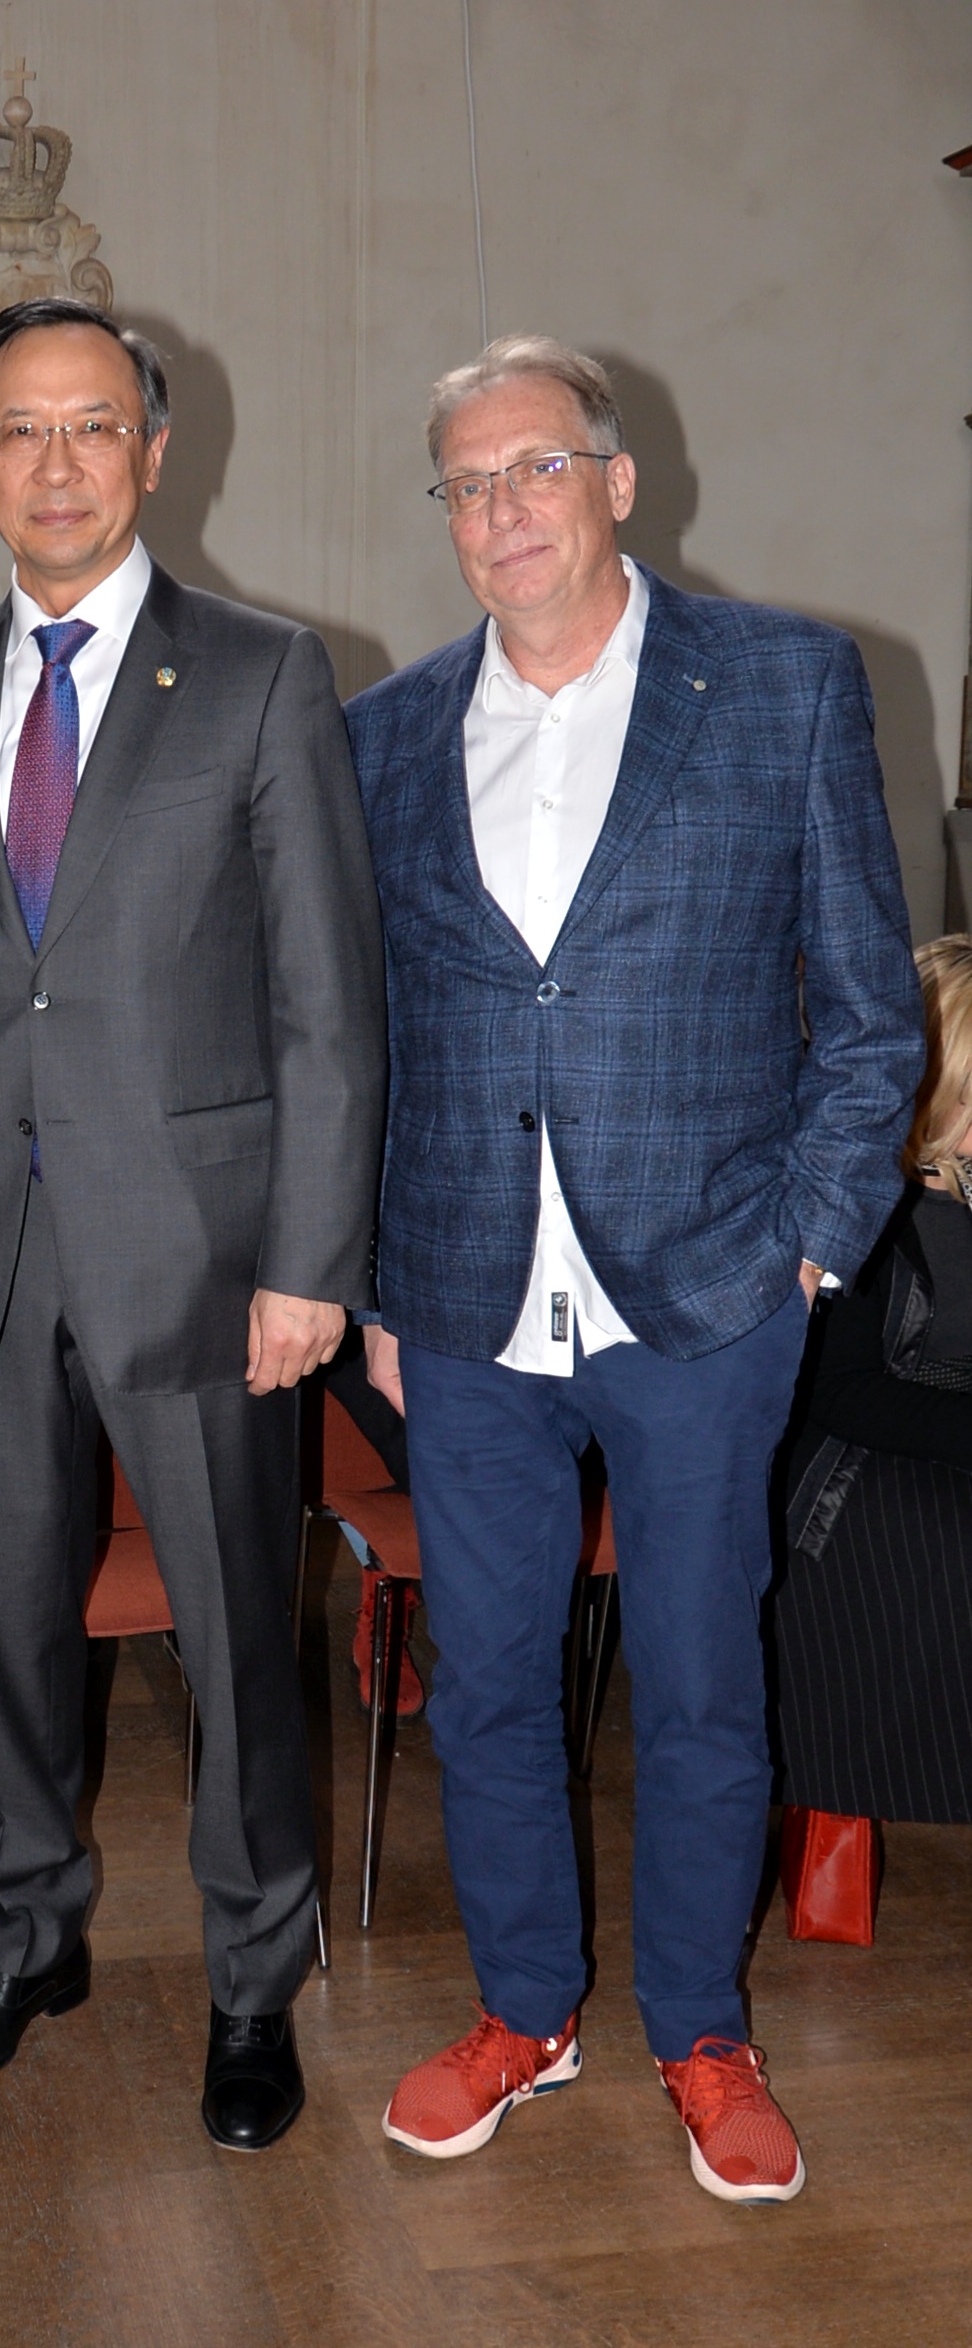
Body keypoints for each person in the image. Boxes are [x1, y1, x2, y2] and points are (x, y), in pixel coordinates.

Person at [351, 334, 923, 2204]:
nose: (501, 509)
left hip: (705, 1292)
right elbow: (359, 1038)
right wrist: (374, 1285)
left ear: (613, 482)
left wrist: (811, 1249)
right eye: (466, 483)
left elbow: (870, 1015)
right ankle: (525, 2009)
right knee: (488, 1686)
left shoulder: (778, 684)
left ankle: (700, 2028)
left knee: (694, 1682)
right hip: (462, 1296)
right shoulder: (384, 733)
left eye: (534, 468)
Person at [0, 296, 386, 2152]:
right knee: (8, 1618)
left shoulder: (261, 672)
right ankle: (28, 1943)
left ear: (154, 451)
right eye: (20, 428)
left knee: (235, 1633)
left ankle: (252, 1983)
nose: (56, 461)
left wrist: (311, 1262)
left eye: (91, 425)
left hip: (207, 1259)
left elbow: (326, 1003)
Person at [774, 934, 972, 1841]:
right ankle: (845, 1798)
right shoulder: (858, 1201)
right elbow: (839, 1391)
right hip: (859, 1468)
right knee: (944, 1548)